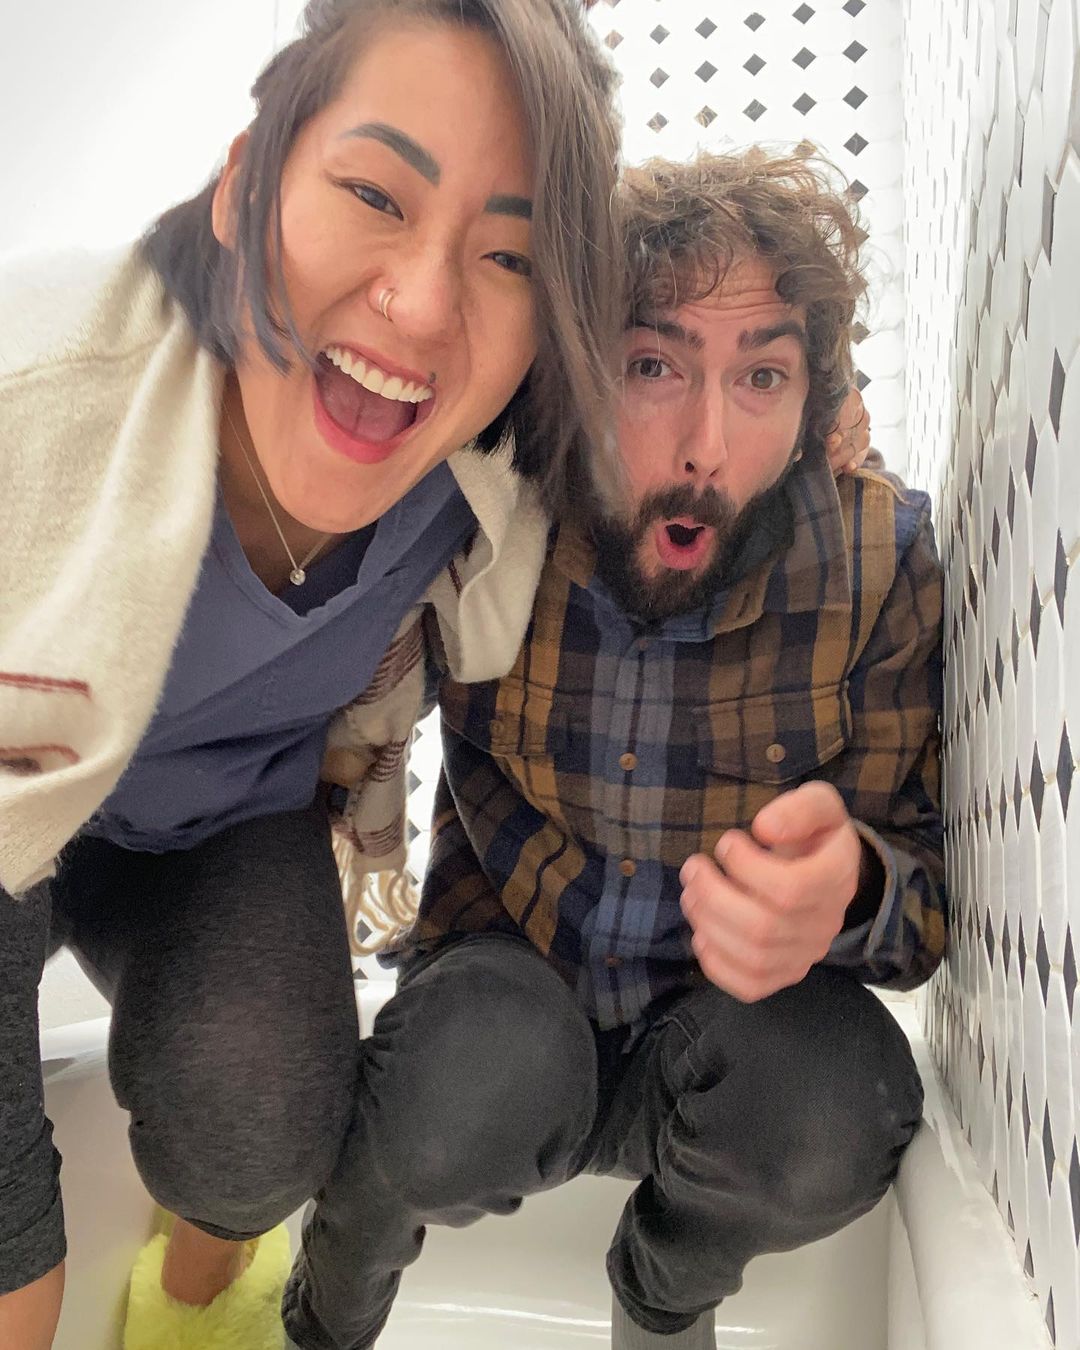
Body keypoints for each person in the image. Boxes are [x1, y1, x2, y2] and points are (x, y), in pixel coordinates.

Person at [0, 3, 624, 1347]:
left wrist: (818, 433)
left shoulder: (483, 473)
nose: (424, 303)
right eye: (373, 193)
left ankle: (191, 1304)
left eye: (508, 253)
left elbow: (696, 410)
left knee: (260, 1122)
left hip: (211, 826)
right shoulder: (31, 406)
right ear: (244, 185)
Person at [280, 148, 946, 1350]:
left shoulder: (878, 564)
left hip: (724, 1040)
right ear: (584, 372)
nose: (703, 444)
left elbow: (929, 900)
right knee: (445, 1100)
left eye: (762, 376)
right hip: (506, 992)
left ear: (816, 411)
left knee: (838, 1110)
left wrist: (850, 889)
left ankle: (659, 1310)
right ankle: (319, 1322)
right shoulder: (490, 515)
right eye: (653, 366)